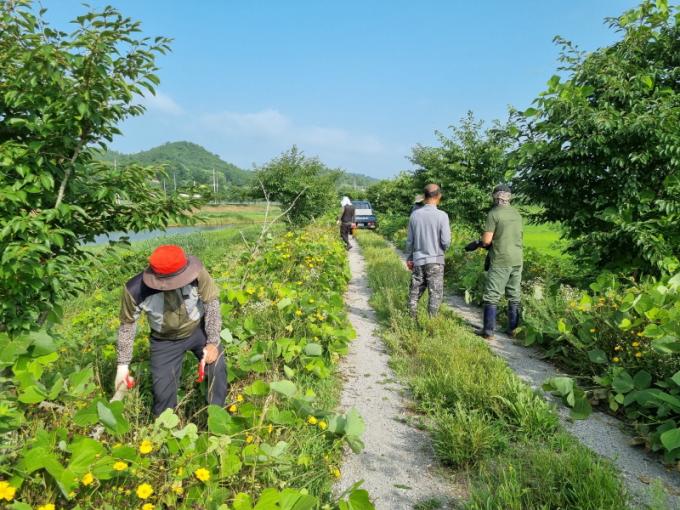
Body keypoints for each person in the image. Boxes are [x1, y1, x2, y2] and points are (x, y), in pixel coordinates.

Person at [112, 244, 228, 416]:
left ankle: (218, 417)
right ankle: (164, 428)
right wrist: (123, 365)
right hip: (164, 341)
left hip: (198, 330)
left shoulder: (197, 273)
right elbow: (127, 326)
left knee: (217, 368)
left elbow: (211, 304)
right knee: (163, 394)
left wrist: (212, 342)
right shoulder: (135, 290)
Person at [475, 184, 523, 339]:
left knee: (492, 295)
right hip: (517, 258)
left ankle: (488, 331)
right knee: (514, 295)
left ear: (494, 196)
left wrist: (477, 244)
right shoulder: (516, 214)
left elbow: (487, 241)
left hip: (501, 259)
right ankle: (513, 330)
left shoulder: (493, 213)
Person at [405, 184, 451, 318]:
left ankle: (410, 319)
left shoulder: (414, 215)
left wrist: (410, 258)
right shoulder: (442, 216)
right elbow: (446, 241)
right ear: (439, 196)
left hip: (418, 260)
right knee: (435, 294)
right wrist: (443, 250)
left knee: (414, 292)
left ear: (424, 196)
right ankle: (431, 322)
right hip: (436, 260)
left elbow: (409, 241)